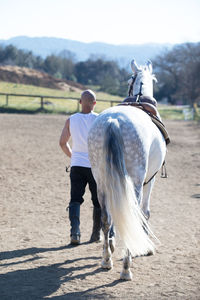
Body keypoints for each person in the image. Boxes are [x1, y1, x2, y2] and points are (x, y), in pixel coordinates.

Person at [59, 89, 101, 245]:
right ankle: (96, 234)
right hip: (95, 166)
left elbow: (62, 143)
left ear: (80, 102)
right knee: (98, 201)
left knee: (75, 199)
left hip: (77, 165)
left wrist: (74, 157)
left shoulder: (71, 119)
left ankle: (75, 232)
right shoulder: (100, 119)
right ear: (95, 103)